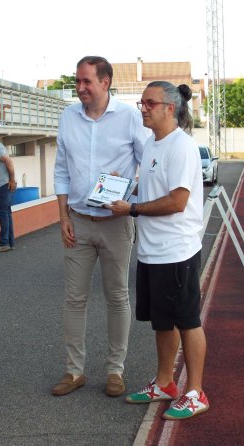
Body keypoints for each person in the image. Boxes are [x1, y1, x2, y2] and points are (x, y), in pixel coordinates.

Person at [107, 81, 208, 420]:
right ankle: (165, 383)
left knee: (188, 322)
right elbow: (150, 188)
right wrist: (122, 185)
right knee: (162, 324)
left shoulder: (181, 146)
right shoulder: (152, 144)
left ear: (170, 108)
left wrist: (131, 210)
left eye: (149, 103)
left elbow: (178, 201)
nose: (143, 108)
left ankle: (195, 392)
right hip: (151, 252)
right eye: (141, 102)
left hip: (177, 251)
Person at [52, 56, 149, 398]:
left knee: (117, 296)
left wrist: (131, 188)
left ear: (105, 82)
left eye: (86, 82)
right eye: (77, 81)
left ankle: (115, 371)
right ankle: (74, 371)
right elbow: (61, 169)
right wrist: (63, 217)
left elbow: (147, 165)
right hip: (78, 221)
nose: (79, 88)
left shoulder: (129, 118)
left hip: (116, 224)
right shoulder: (68, 117)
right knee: (74, 299)